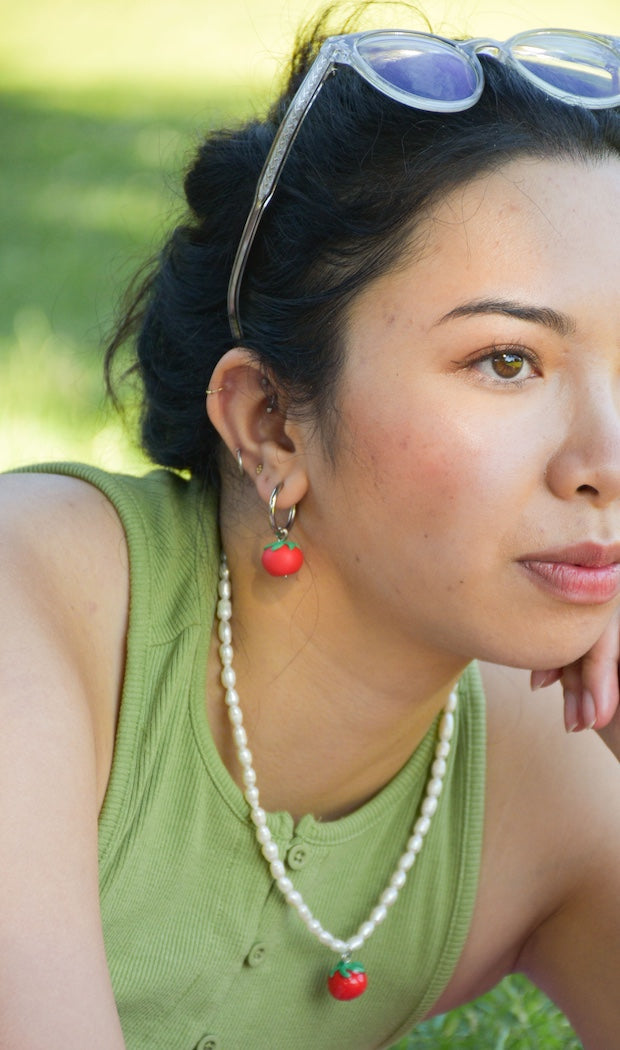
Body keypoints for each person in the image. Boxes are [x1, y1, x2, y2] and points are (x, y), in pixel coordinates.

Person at [2, 5, 620, 1048]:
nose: (603, 462)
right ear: (269, 423)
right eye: (504, 361)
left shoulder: (553, 773)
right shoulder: (35, 612)